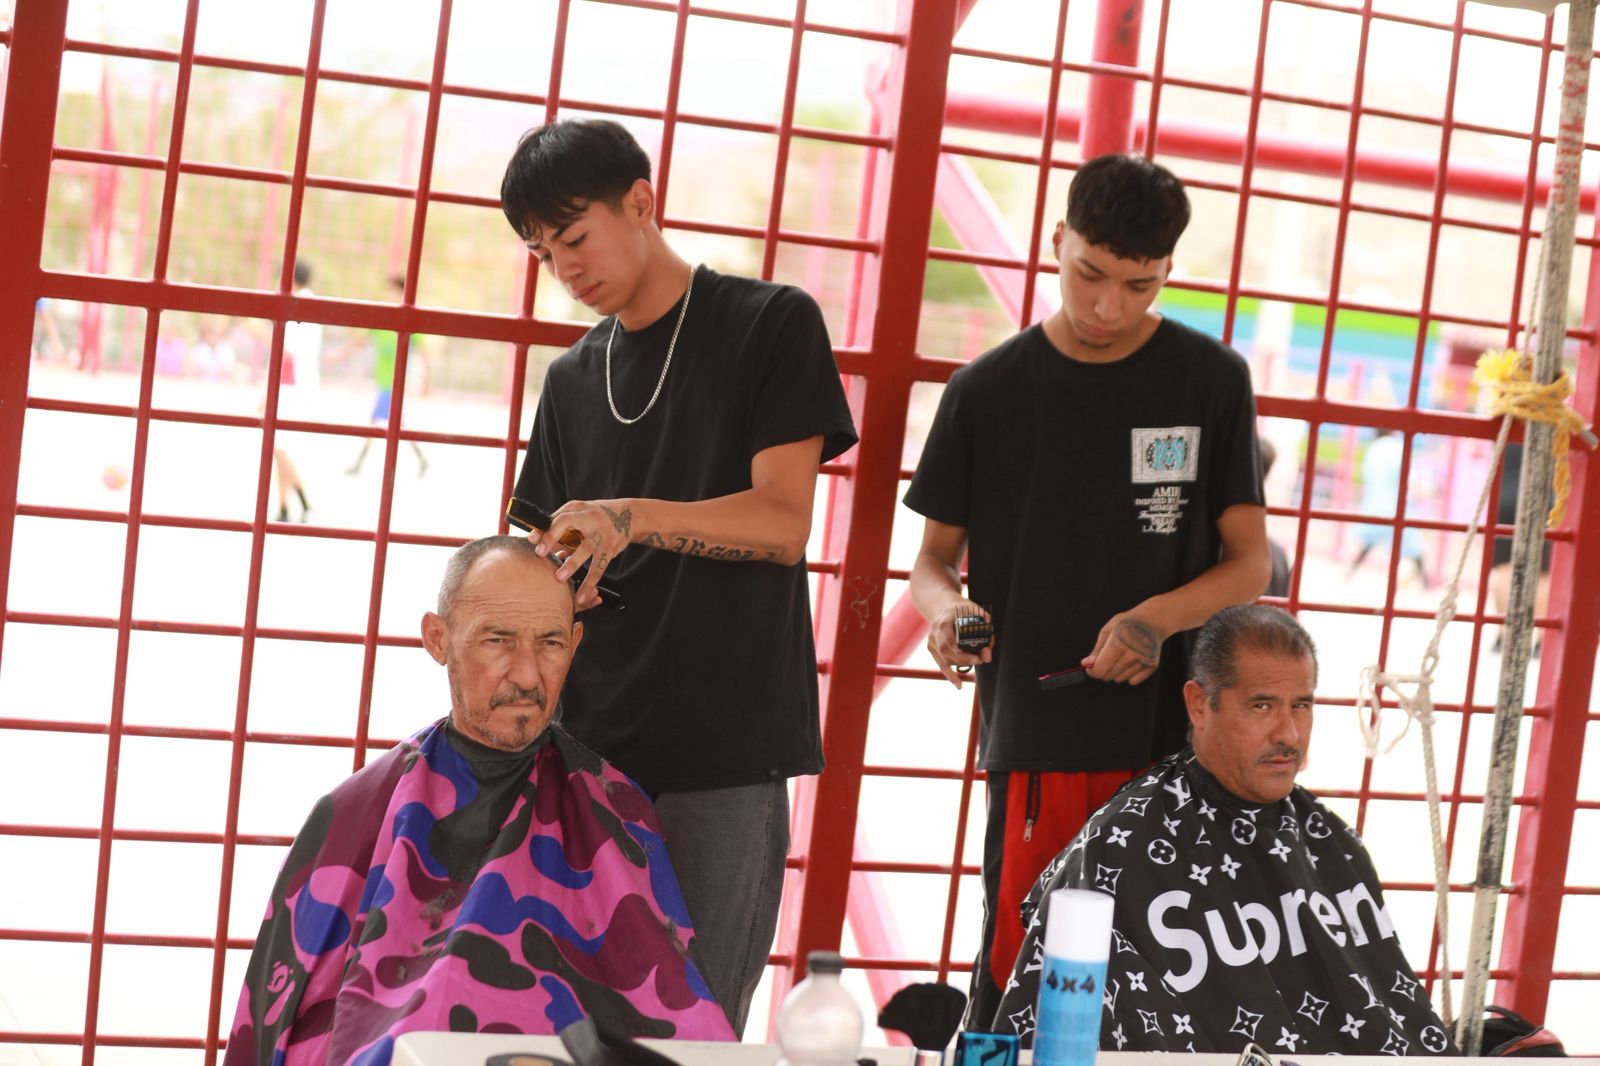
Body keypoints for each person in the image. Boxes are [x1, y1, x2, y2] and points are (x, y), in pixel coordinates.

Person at [498, 119, 858, 1032]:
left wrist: (630, 517)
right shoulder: (571, 379)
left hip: (726, 747)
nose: (564, 268)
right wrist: (551, 591)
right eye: (543, 254)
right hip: (588, 748)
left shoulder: (770, 323)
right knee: (572, 1020)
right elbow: (540, 559)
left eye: (574, 236)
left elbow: (783, 523)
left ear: (642, 202)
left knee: (696, 1026)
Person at [903, 153, 1270, 1027]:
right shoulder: (986, 390)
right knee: (1025, 979)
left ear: (1168, 270)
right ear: (1056, 239)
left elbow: (1250, 563)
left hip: (1182, 740)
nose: (1109, 307)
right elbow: (930, 564)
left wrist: (1155, 620)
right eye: (1089, 274)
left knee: (1165, 990)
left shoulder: (1211, 379)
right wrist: (948, 613)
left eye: (1140, 286)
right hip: (1039, 734)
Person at [223, 537, 735, 1066]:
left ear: (576, 642)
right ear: (438, 639)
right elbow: (276, 1027)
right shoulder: (354, 813)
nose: (528, 675)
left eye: (551, 643)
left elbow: (678, 1028)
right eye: (498, 640)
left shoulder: (618, 811)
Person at [990, 605, 1455, 1056]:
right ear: (1199, 704)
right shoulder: (1120, 844)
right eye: (1262, 705)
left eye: (1301, 705)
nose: (1289, 734)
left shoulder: (1329, 837)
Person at [345, 274, 430, 477]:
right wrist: (340, 355)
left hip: (396, 383)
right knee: (398, 424)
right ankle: (421, 459)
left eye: (393, 291)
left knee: (376, 422)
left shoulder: (412, 321)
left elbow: (424, 354)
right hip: (383, 381)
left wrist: (427, 381)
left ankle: (359, 463)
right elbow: (361, 340)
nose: (390, 295)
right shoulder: (383, 319)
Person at [1346, 428, 1430, 589]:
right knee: (1414, 548)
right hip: (1397, 507)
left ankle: (1350, 572)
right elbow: (1410, 478)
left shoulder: (1372, 449)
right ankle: (1425, 584)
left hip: (1374, 505)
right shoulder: (1398, 448)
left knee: (1368, 544)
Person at [273, 259, 321, 522]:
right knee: (279, 446)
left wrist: (266, 394)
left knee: (279, 446)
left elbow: (286, 353)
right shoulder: (311, 302)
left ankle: (304, 502)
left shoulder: (296, 304)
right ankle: (283, 507)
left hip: (291, 386)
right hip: (301, 384)